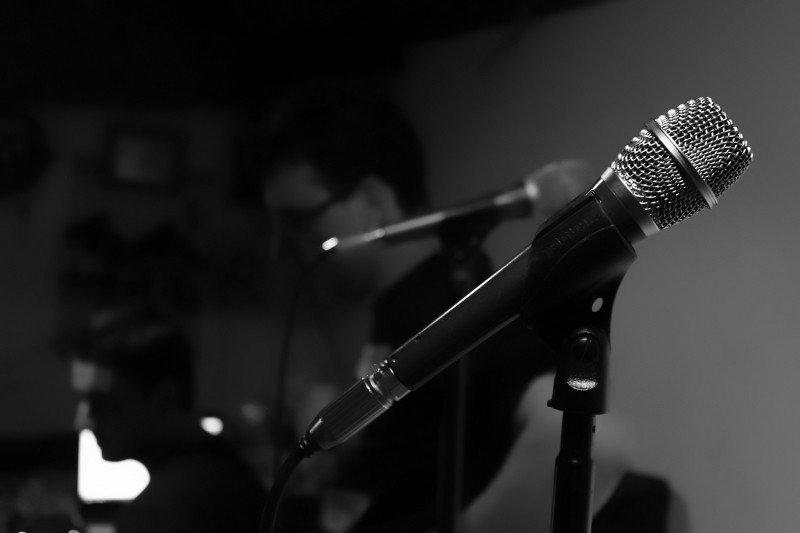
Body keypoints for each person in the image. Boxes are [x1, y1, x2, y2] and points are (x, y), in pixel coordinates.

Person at [260, 83, 681, 532]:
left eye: (297, 221)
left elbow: (601, 445)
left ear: (371, 202)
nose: (283, 248)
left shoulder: (457, 304)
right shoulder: (405, 306)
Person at [59, 307, 265, 533]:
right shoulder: (229, 474)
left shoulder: (156, 516)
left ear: (164, 399)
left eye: (101, 403)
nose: (82, 423)